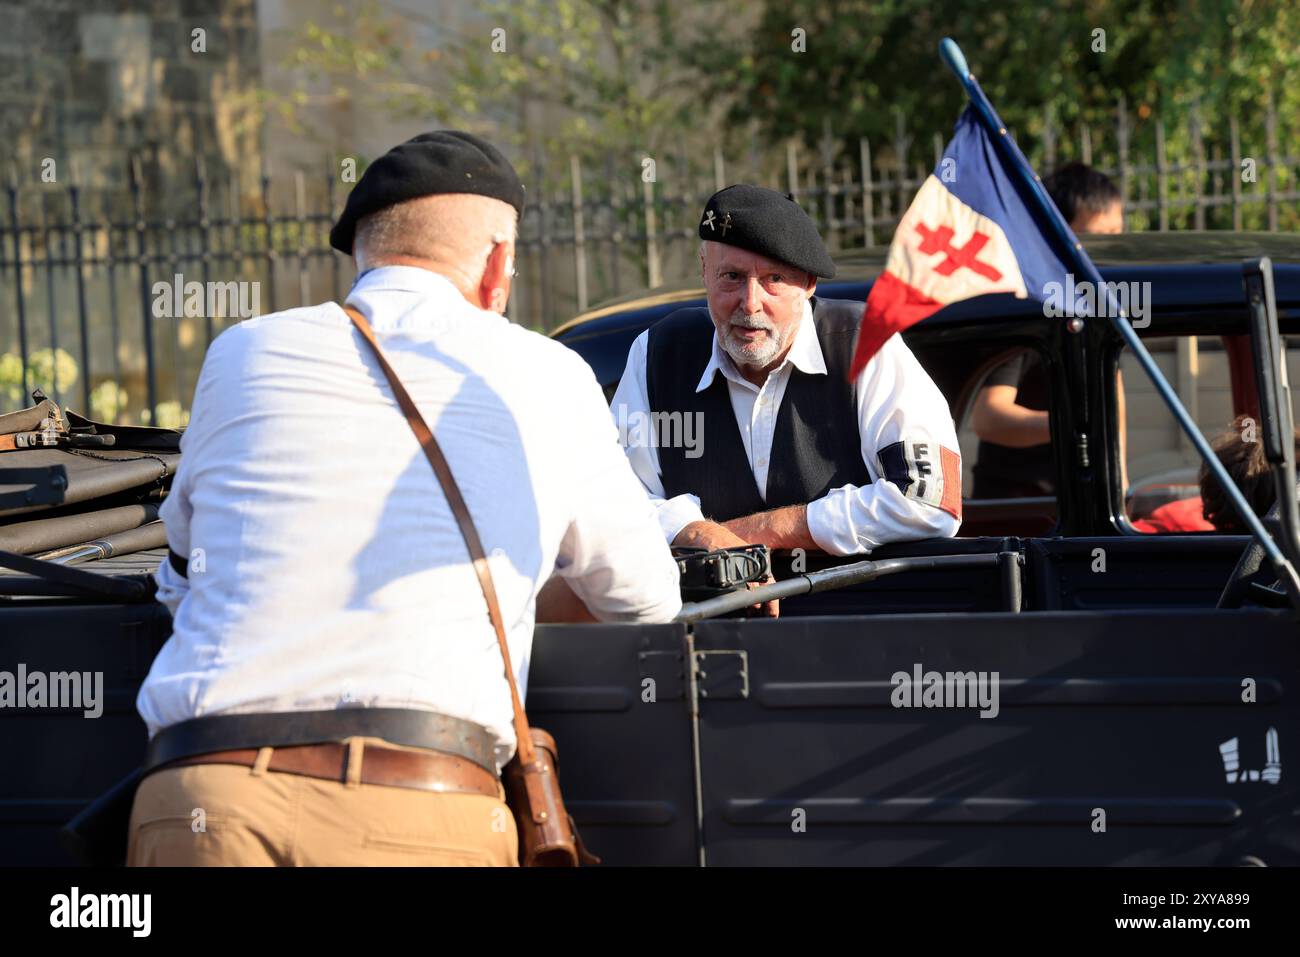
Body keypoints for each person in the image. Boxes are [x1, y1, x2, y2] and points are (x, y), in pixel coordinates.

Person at [127, 131, 683, 867]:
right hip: (415, 806)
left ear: (364, 256)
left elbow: (183, 570)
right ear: (498, 265)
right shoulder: (549, 374)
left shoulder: (243, 352)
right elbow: (645, 599)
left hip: (205, 797)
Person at [611, 184, 962, 568]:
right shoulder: (659, 354)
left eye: (774, 279)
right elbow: (611, 500)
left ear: (809, 285)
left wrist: (765, 530)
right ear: (704, 272)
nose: (750, 303)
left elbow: (930, 501)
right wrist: (696, 533)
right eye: (731, 276)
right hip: (712, 623)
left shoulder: (865, 345)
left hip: (853, 618)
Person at [971, 162, 1125, 498]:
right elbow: (988, 416)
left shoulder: (1098, 304)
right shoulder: (1028, 306)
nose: (1110, 252)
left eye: (1118, 236)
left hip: (1089, 503)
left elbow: (1111, 396)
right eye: (1099, 240)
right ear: (1056, 235)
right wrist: (1073, 426)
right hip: (1022, 513)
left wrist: (1119, 484)